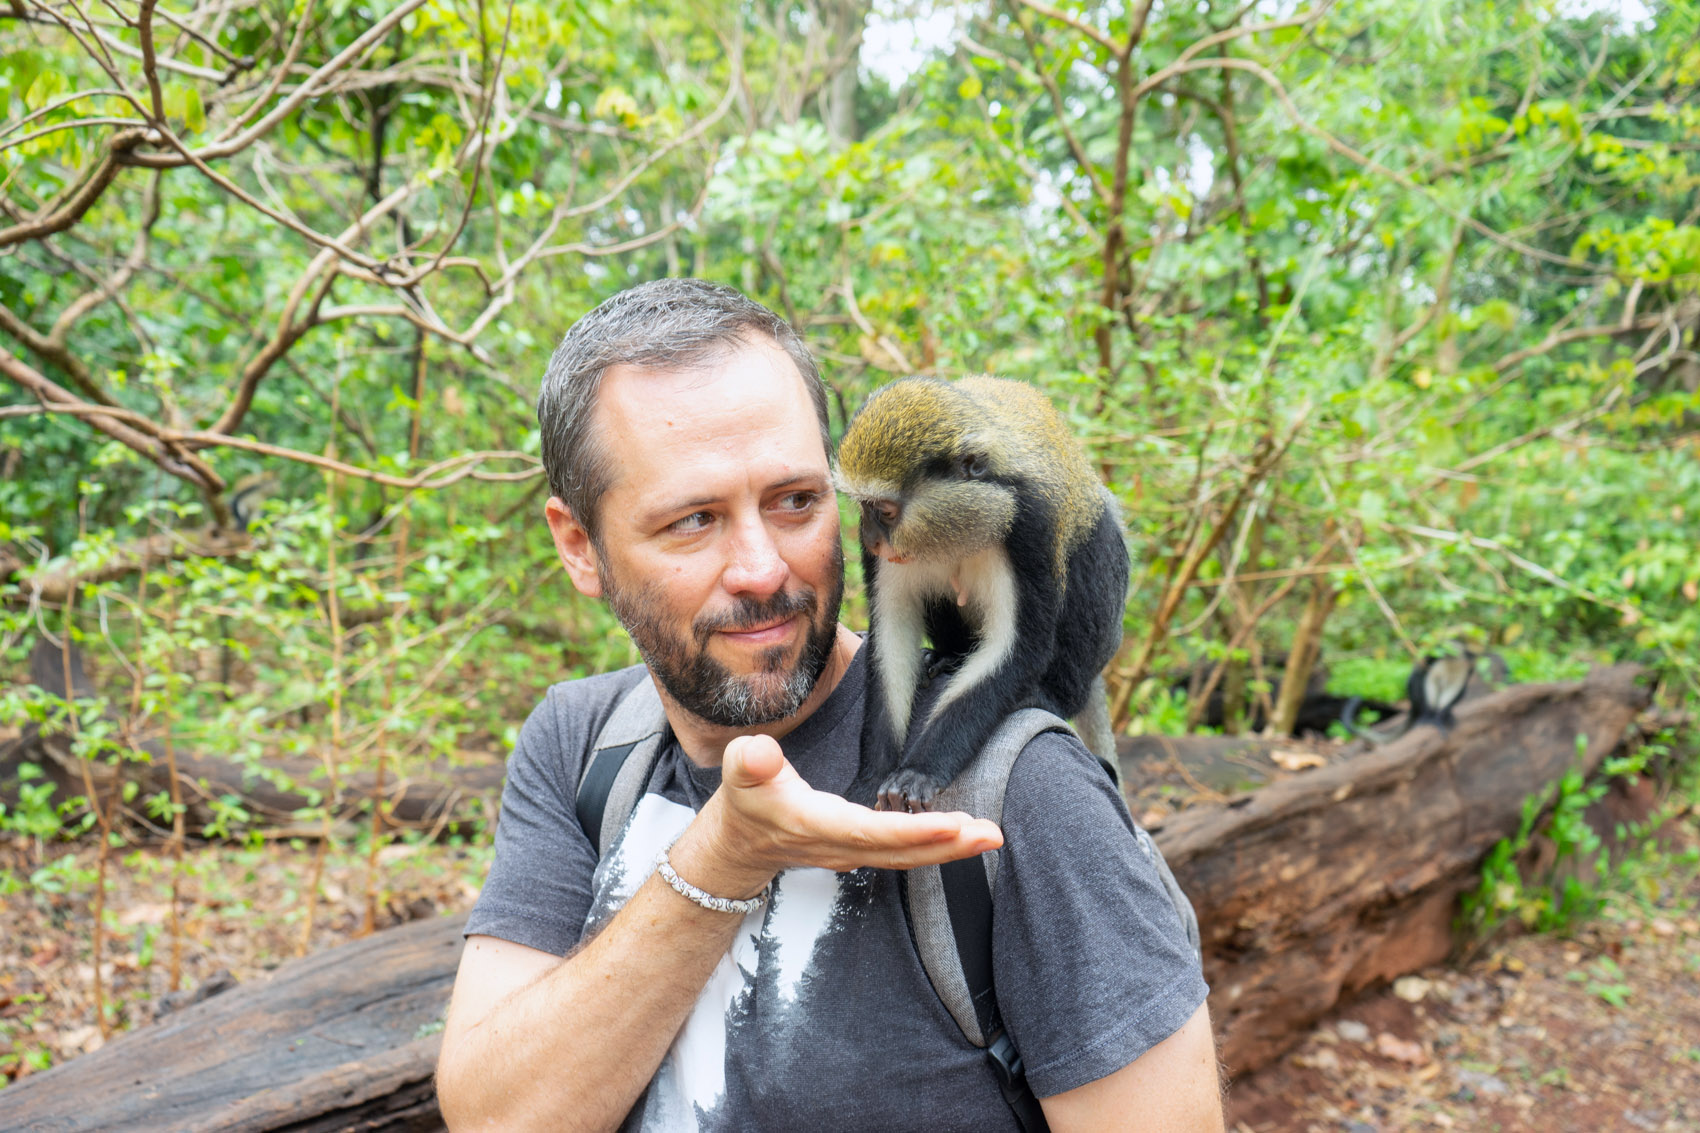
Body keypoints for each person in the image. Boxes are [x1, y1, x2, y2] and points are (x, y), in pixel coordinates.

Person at [434, 279, 1222, 1132]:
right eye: (694, 520)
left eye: (797, 501)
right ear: (580, 548)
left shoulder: (1025, 790)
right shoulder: (583, 743)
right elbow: (494, 1119)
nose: (764, 568)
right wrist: (723, 857)